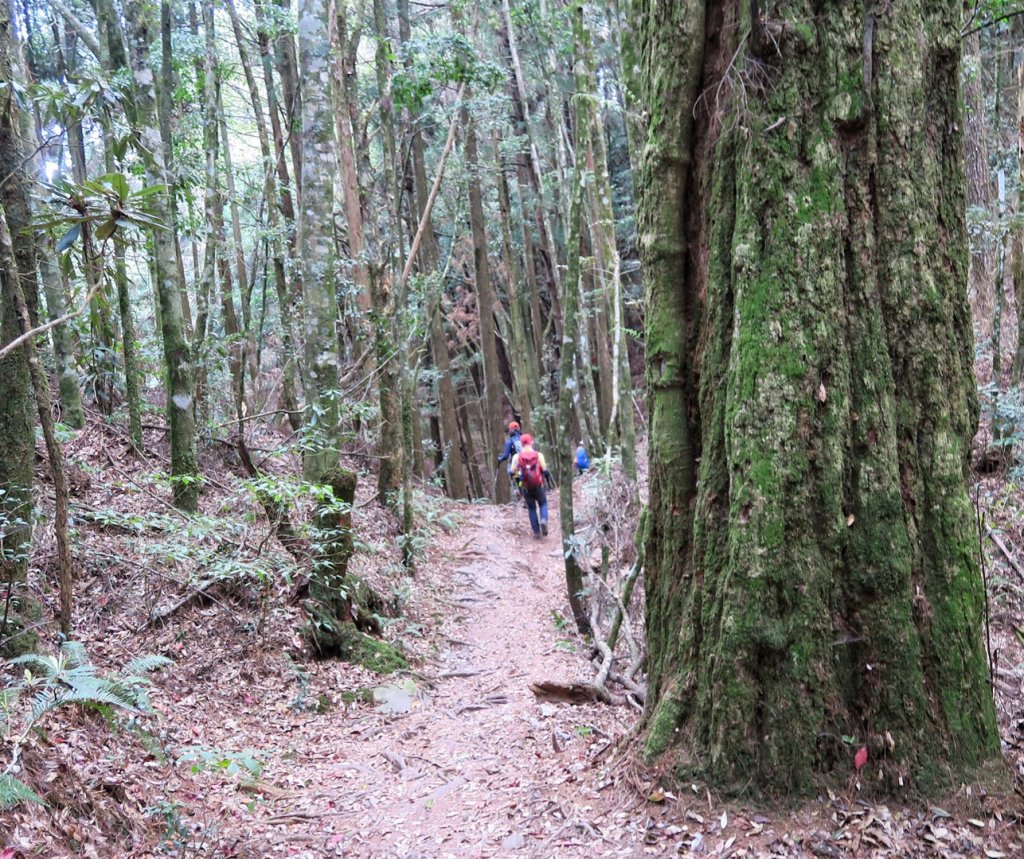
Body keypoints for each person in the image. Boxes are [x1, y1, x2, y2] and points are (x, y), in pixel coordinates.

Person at [511, 434, 553, 539]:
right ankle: (543, 519)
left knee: (531, 508)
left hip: (526, 487)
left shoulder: (517, 457)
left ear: (521, 444)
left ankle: (536, 532)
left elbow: (512, 471)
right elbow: (545, 471)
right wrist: (547, 479)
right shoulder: (539, 455)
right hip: (539, 485)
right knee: (543, 503)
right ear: (531, 442)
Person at [497, 421, 523, 495]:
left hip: (516, 465)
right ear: (519, 428)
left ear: (510, 430)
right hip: (527, 462)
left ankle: (523, 495)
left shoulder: (509, 441)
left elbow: (505, 456)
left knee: (519, 481)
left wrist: (499, 458)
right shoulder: (524, 438)